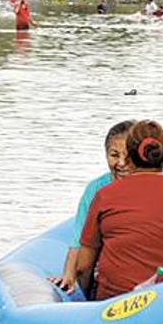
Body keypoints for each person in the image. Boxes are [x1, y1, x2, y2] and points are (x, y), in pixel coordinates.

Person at [76, 121, 163, 300]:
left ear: (129, 158)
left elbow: (83, 266)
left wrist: (88, 300)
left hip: (115, 304)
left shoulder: (105, 195)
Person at [54, 120, 135, 293]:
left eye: (129, 156)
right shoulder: (97, 189)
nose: (121, 163)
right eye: (114, 155)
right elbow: (79, 241)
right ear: (106, 155)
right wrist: (69, 275)